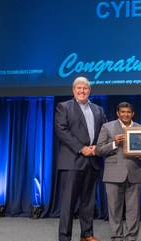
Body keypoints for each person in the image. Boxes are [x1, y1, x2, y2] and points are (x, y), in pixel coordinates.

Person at [55, 76, 107, 241]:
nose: (82, 91)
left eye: (85, 88)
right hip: (72, 162)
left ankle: (87, 235)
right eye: (79, 88)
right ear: (73, 90)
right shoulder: (64, 107)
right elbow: (62, 131)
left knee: (88, 202)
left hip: (92, 161)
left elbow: (105, 131)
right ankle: (64, 237)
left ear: (89, 91)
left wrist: (97, 147)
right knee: (68, 204)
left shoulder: (98, 109)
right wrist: (81, 148)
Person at [96, 102, 141, 241]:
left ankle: (131, 239)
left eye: (128, 112)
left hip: (135, 173)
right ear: (118, 113)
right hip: (113, 175)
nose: (125, 114)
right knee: (114, 210)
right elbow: (99, 150)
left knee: (133, 211)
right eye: (122, 112)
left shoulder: (140, 128)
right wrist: (115, 143)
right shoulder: (107, 127)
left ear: (132, 113)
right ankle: (117, 238)